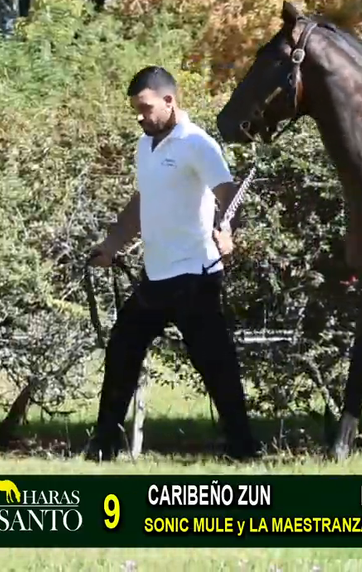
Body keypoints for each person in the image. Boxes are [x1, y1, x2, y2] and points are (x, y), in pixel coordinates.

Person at [85, 65, 258, 462]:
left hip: (195, 277)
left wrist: (228, 232)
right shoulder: (145, 146)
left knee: (215, 364)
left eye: (145, 108)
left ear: (169, 100)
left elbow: (228, 193)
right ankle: (104, 445)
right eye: (136, 110)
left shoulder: (197, 144)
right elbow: (142, 200)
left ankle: (244, 448)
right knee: (122, 349)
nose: (140, 117)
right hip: (157, 276)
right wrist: (112, 244)